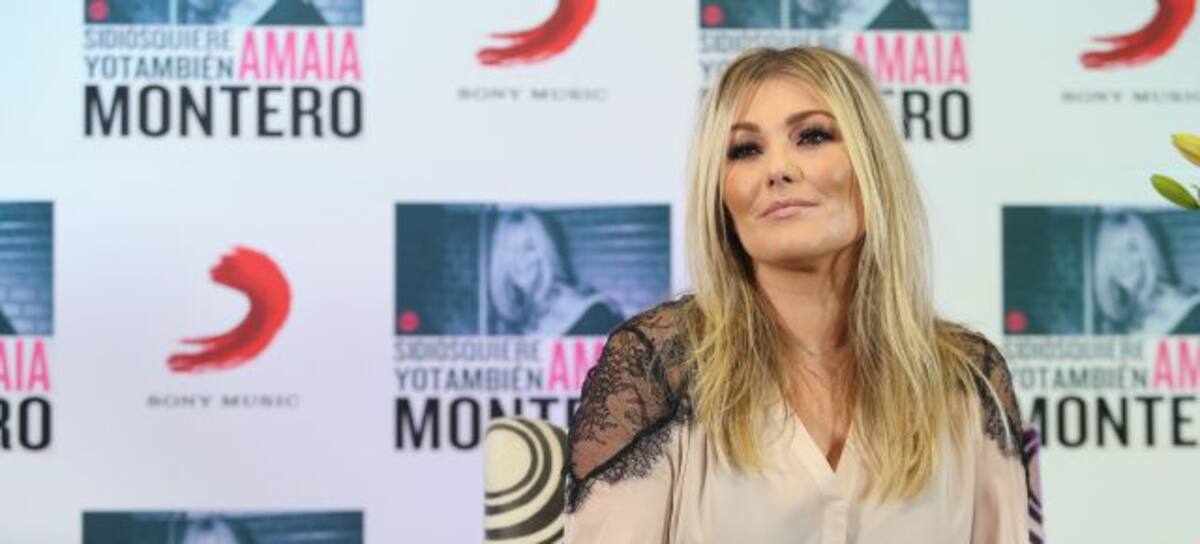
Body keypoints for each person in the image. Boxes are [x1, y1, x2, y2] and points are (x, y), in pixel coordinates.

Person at [564, 47, 1043, 543]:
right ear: (720, 194)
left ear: (872, 164)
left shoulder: (969, 380)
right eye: (745, 150)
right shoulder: (654, 368)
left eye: (812, 136)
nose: (778, 169)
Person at [488, 209, 624, 336]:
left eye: (529, 247)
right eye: (510, 249)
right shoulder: (509, 322)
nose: (519, 259)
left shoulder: (593, 314)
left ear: (545, 252)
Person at [1093, 211, 1200, 334]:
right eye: (1113, 250)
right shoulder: (1118, 320)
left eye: (1132, 248)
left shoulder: (1189, 310)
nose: (1122, 260)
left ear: (1149, 252)